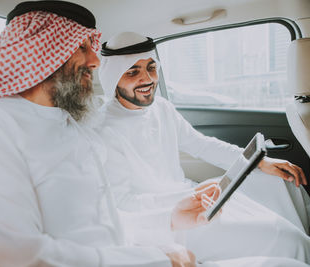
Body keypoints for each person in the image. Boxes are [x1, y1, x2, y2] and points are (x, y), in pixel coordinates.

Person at [0, 3, 309, 266]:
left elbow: (102, 223)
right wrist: (157, 258)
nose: (94, 59)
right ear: (39, 51)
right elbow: (11, 257)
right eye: (83, 47)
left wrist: (168, 219)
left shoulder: (66, 125)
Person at [97, 31, 310, 263]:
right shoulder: (102, 129)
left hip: (195, 196)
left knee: (279, 181)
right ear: (114, 77)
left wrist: (258, 161)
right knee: (288, 240)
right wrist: (183, 200)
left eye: (151, 67)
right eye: (132, 72)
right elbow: (123, 203)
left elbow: (202, 145)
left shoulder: (162, 108)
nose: (147, 79)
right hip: (173, 221)